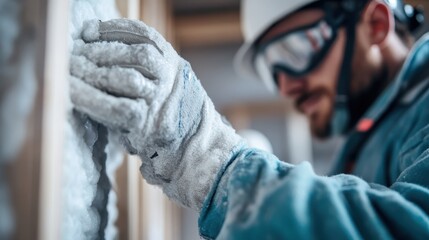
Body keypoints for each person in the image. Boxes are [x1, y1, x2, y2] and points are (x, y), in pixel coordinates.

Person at [69, 0, 429, 238]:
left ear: (377, 24)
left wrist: (213, 161)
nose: (286, 85)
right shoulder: (366, 142)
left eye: (294, 50)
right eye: (272, 69)